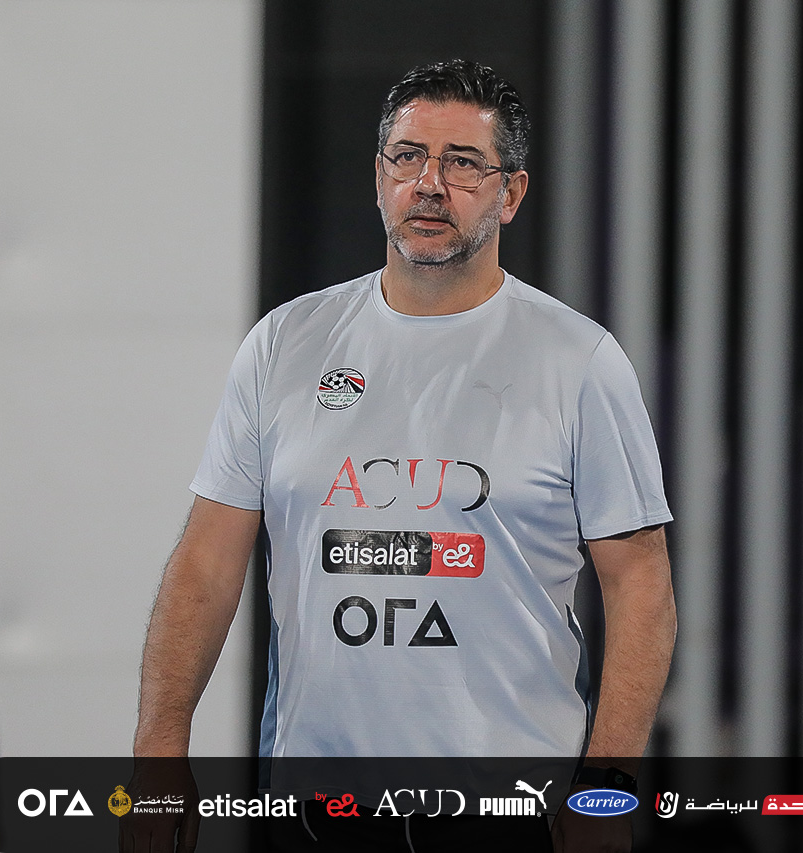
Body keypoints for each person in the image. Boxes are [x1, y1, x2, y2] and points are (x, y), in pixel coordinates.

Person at [131, 59, 676, 853]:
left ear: (511, 193)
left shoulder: (579, 361)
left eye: (463, 162)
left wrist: (606, 787)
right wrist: (158, 754)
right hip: (316, 812)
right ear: (379, 175)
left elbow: (642, 586)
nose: (429, 184)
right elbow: (206, 564)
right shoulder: (286, 343)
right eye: (409, 156)